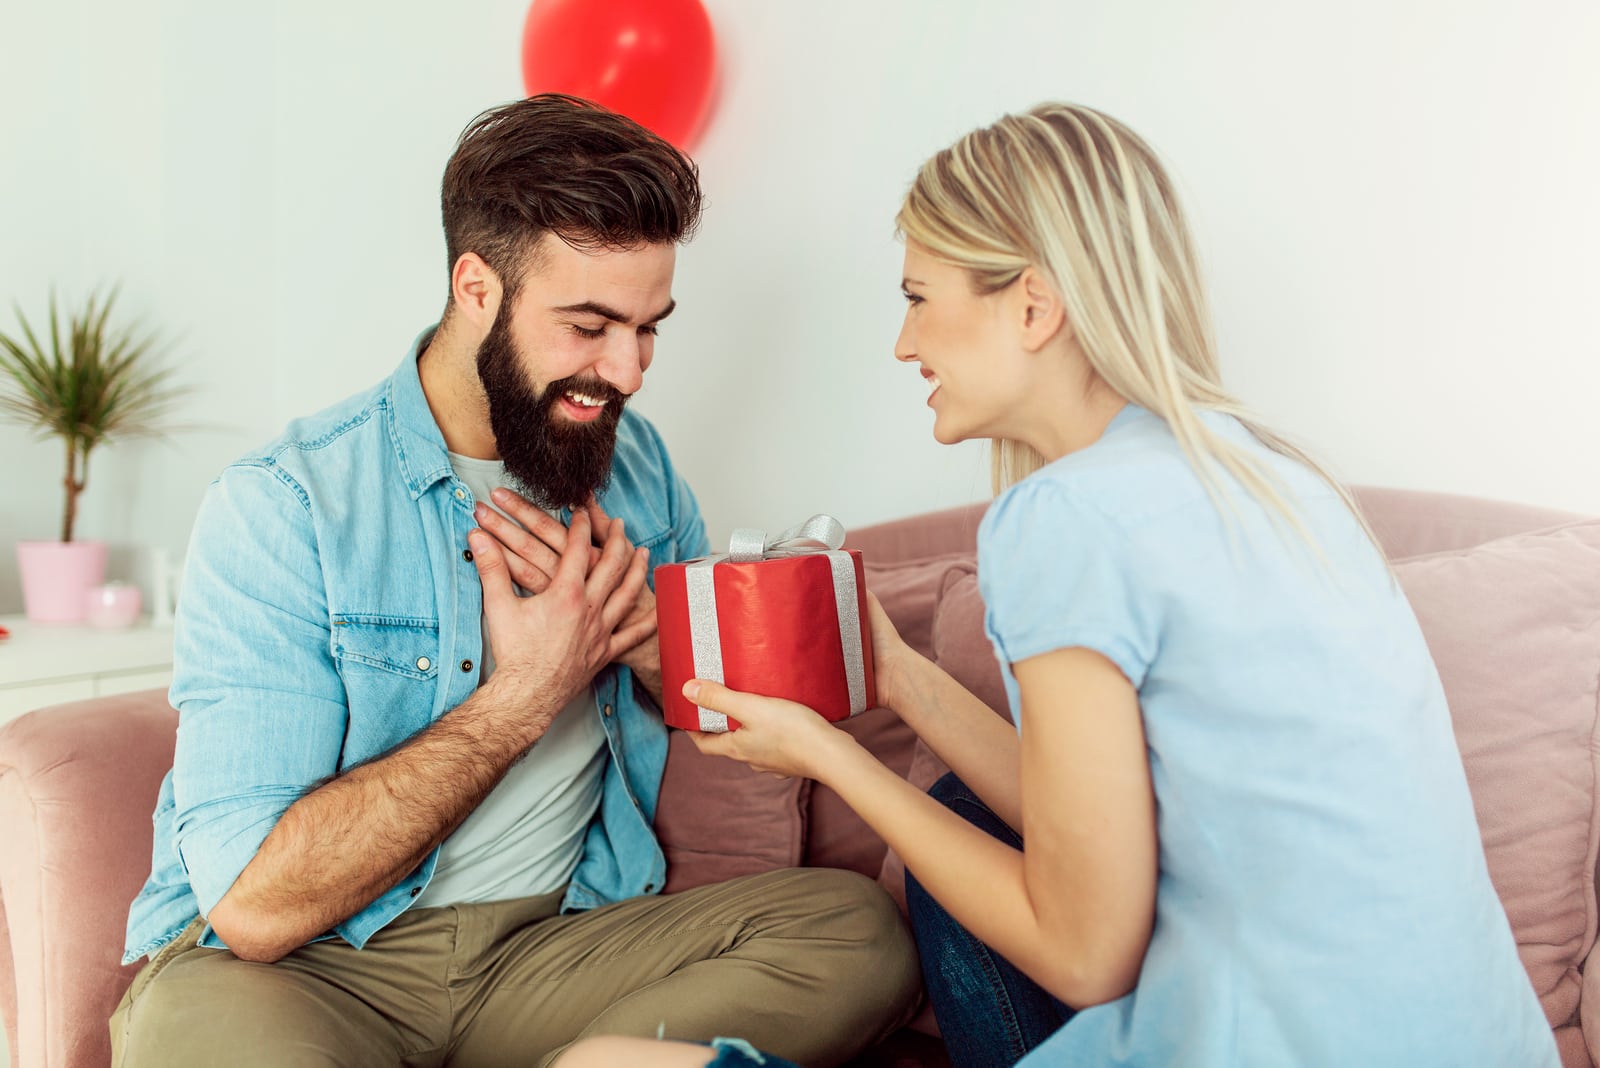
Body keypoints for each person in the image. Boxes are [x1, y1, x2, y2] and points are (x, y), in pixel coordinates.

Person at [565, 102, 1559, 1067]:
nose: (903, 345)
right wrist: (896, 675)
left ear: (1033, 306)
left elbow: (1087, 955)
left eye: (917, 299)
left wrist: (831, 755)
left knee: (598, 1066)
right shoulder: (1269, 474)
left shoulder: (1066, 518)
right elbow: (1097, 822)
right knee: (967, 800)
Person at [111, 93, 919, 1068]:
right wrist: (527, 691)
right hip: (312, 975)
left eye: (649, 327)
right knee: (184, 1031)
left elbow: (729, 717)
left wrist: (651, 647)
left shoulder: (638, 471)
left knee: (855, 930)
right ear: (476, 288)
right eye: (588, 325)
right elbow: (252, 907)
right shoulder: (287, 507)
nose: (627, 369)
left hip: (547, 949)